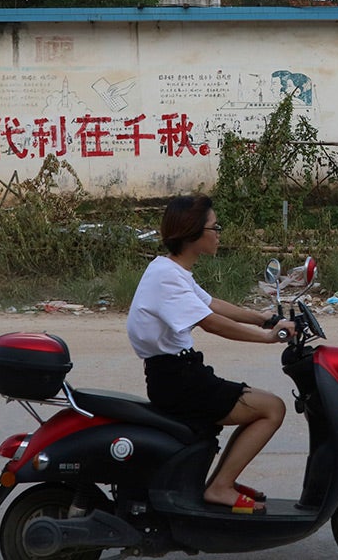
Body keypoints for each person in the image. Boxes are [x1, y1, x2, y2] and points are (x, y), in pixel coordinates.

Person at [126, 195, 296, 514]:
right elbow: (211, 322)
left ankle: (222, 482)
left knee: (262, 405)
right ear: (193, 232)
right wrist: (268, 337)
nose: (218, 233)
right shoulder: (166, 276)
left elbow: (212, 304)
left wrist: (265, 318)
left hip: (180, 374)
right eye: (214, 227)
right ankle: (220, 487)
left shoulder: (170, 270)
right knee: (272, 408)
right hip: (179, 381)